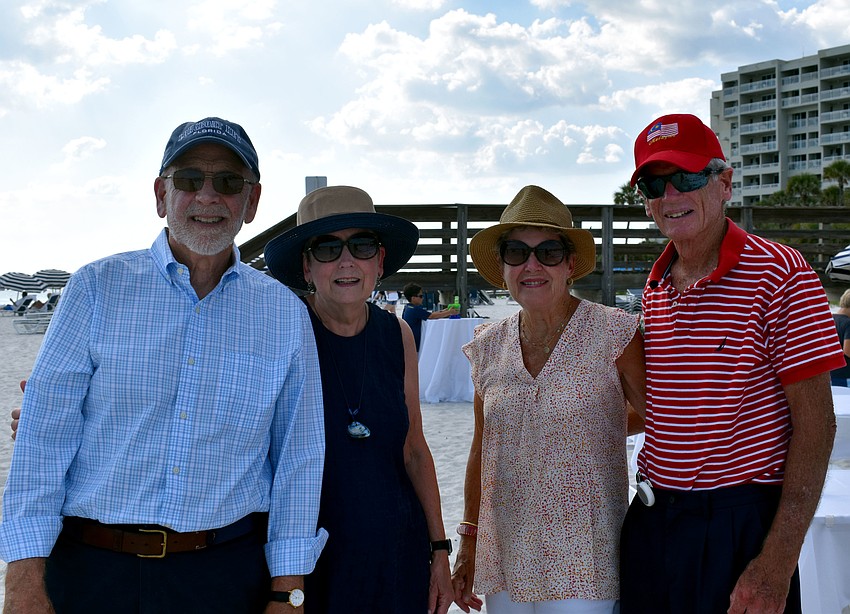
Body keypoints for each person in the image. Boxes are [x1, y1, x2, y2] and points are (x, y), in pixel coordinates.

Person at [0, 117, 327, 613]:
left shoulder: (284, 314)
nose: (209, 197)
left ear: (252, 202)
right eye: (190, 180)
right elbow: (44, 439)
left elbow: (298, 461)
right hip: (90, 570)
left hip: (224, 576)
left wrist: (289, 592)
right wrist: (23, 580)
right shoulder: (95, 288)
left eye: (228, 183)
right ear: (160, 195)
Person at [620, 113, 845, 614]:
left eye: (689, 177)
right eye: (655, 183)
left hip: (737, 526)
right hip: (653, 520)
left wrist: (776, 563)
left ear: (724, 182)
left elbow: (817, 427)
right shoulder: (655, 287)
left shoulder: (782, 273)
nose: (671, 194)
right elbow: (668, 410)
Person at [451, 185, 646, 614]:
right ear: (502, 266)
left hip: (585, 553)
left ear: (571, 264)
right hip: (506, 547)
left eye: (549, 252)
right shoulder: (487, 344)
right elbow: (482, 447)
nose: (532, 265)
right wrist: (468, 541)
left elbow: (662, 418)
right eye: (517, 252)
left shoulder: (615, 333)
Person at [263, 186, 454, 613]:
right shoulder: (284, 334)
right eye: (327, 248)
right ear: (307, 266)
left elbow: (415, 450)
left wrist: (440, 550)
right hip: (312, 563)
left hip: (398, 553)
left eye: (362, 245)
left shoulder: (397, 334)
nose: (346, 260)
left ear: (380, 261)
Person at [402, 283, 459, 351]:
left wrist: (445, 310)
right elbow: (431, 316)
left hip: (408, 339)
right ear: (413, 298)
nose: (422, 298)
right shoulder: (415, 309)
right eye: (420, 296)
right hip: (413, 340)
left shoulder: (408, 307)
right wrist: (449, 312)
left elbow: (428, 314)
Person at [831, 288, 850, 387]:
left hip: (829, 373)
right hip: (845, 376)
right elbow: (848, 351)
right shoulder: (848, 324)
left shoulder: (830, 319)